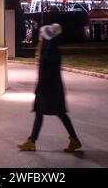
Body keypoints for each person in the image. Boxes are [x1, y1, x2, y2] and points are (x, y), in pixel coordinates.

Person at [18, 23, 82, 153]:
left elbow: (46, 73)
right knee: (47, 113)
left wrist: (40, 88)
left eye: (41, 34)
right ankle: (32, 141)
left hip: (48, 89)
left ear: (45, 37)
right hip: (53, 88)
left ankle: (73, 140)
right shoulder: (51, 49)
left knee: (54, 114)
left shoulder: (49, 51)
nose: (39, 36)